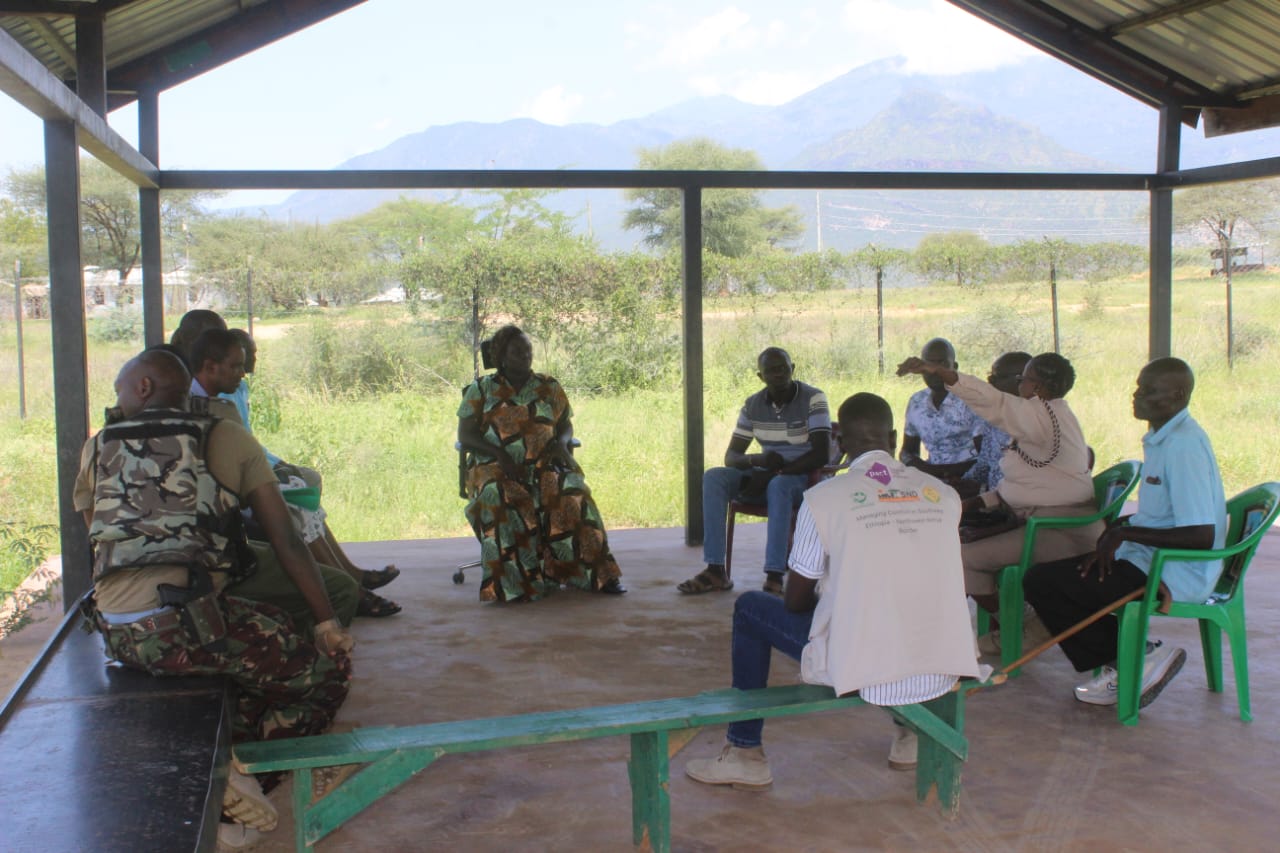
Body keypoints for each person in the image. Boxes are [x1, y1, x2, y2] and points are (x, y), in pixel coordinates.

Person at [74, 349, 352, 846]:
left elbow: (99, 538)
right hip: (186, 629)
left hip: (116, 634)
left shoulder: (98, 447)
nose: (117, 400)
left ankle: (226, 762)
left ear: (142, 388)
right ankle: (236, 778)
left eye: (119, 390)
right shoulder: (225, 436)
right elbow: (286, 540)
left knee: (264, 627)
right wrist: (327, 624)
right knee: (324, 674)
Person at [683, 393, 982, 790]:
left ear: (840, 442)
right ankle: (910, 731)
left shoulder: (824, 499)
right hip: (942, 662)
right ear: (894, 438)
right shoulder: (942, 494)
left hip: (864, 668)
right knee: (898, 602)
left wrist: (833, 593)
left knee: (751, 608)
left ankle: (744, 752)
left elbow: (795, 601)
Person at [1024, 357, 1225, 708]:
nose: (1137, 396)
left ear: (1177, 396)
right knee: (1048, 578)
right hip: (1147, 560)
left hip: (1174, 572)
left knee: (1048, 583)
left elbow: (1201, 536)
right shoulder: (1163, 438)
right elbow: (1162, 517)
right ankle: (1134, 658)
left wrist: (1126, 536)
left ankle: (1134, 660)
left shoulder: (1183, 446)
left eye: (1149, 390)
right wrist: (1122, 529)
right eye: (1138, 387)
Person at [187, 329, 398, 620]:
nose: (242, 373)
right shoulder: (203, 411)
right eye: (235, 366)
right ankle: (346, 591)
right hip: (221, 520)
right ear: (210, 367)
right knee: (291, 513)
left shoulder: (218, 403)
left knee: (302, 497)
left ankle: (351, 577)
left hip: (231, 500)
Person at [896, 352, 1100, 642]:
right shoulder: (1045, 414)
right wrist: (976, 503)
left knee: (961, 557)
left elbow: (993, 401)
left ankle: (1025, 625)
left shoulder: (1040, 415)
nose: (1019, 384)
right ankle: (1015, 626)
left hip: (1058, 530)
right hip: (1039, 521)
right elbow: (1025, 484)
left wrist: (939, 371)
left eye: (1022, 379)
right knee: (956, 539)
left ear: (1038, 387)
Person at [457, 324, 626, 602]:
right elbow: (465, 435)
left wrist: (562, 443)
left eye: (528, 350)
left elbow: (565, 425)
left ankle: (600, 575)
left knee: (572, 494)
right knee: (497, 496)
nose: (525, 355)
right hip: (496, 466)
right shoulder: (481, 389)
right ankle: (515, 586)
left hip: (545, 462)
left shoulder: (548, 386)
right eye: (517, 351)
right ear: (501, 356)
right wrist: (500, 455)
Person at [678, 347, 831, 597]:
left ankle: (774, 575)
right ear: (761, 376)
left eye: (783, 368)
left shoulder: (813, 398)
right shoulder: (753, 405)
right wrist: (756, 460)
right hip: (765, 475)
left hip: (802, 480)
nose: (778, 374)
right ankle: (715, 570)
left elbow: (821, 453)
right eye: (771, 370)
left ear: (792, 369)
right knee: (714, 477)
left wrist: (777, 472)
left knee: (778, 485)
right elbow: (731, 456)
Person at [899, 338, 981, 484]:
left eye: (942, 364)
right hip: (931, 481)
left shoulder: (970, 400)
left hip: (969, 481)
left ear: (954, 367)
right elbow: (907, 451)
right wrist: (923, 468)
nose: (934, 371)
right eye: (928, 364)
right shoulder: (917, 402)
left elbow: (986, 457)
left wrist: (940, 472)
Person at [960, 352, 1032, 495]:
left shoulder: (1038, 421)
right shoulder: (996, 417)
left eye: (997, 377)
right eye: (989, 375)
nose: (990, 381)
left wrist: (983, 494)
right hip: (993, 500)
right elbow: (984, 465)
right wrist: (962, 482)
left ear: (1020, 380)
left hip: (1021, 502)